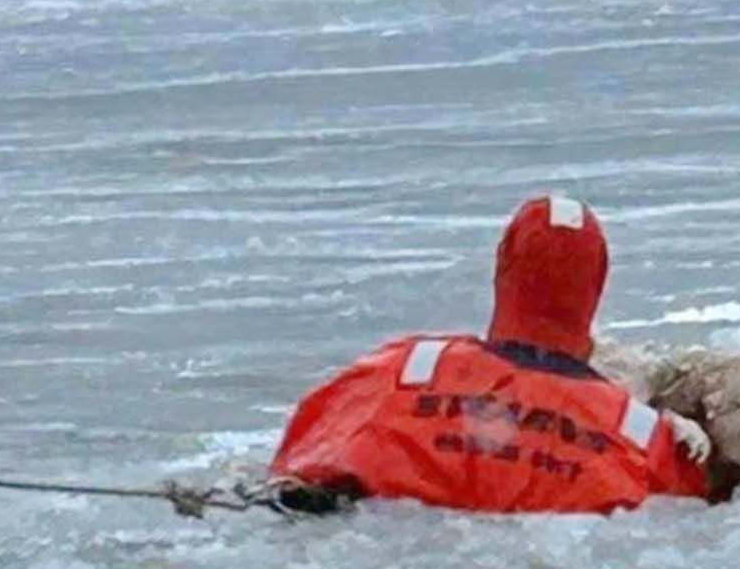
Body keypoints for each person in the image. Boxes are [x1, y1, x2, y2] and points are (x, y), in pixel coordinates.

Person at [269, 194, 707, 514]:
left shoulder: (405, 368)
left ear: (503, 267)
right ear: (597, 287)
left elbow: (304, 449)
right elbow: (697, 504)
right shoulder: (640, 436)